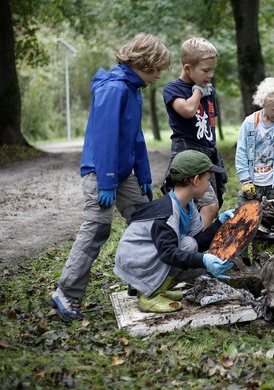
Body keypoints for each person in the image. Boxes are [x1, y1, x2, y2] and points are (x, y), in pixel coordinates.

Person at [51, 33, 171, 322]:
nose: (157, 76)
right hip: (100, 172)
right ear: (144, 63)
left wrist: (142, 173)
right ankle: (66, 292)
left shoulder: (133, 89)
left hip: (123, 172)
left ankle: (144, 283)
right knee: (97, 229)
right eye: (156, 69)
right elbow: (104, 139)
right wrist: (106, 181)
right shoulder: (113, 89)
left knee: (147, 220)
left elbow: (135, 136)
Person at [114, 150, 235, 313]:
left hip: (150, 254)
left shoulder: (188, 205)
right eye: (207, 180)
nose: (209, 185)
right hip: (135, 258)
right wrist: (204, 260)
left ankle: (158, 289)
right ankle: (148, 297)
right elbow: (168, 254)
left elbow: (197, 243)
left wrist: (219, 223)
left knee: (189, 244)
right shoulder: (167, 213)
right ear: (196, 180)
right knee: (184, 247)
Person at [162, 37, 227, 228]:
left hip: (206, 154)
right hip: (187, 153)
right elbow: (188, 111)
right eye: (206, 71)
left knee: (210, 203)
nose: (210, 75)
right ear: (188, 68)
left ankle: (195, 241)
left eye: (213, 70)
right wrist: (197, 91)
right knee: (207, 205)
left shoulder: (208, 88)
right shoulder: (173, 89)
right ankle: (197, 248)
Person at [235, 77, 274, 206]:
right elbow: (241, 152)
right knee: (245, 217)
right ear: (263, 103)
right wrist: (245, 181)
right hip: (252, 182)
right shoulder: (250, 123)